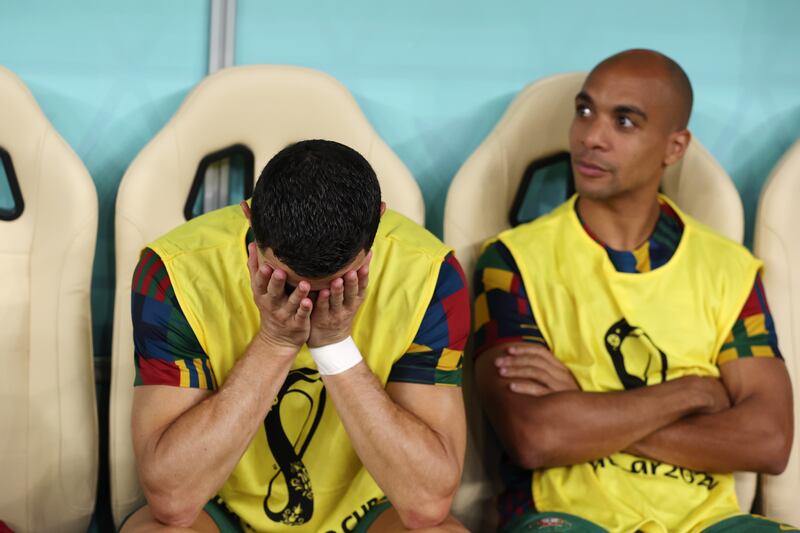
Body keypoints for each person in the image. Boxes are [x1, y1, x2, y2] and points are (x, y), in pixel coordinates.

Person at [473, 49, 795, 533]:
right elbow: (536, 435)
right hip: (567, 518)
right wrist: (693, 391)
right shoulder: (513, 261)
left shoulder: (728, 270)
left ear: (675, 147)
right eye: (584, 111)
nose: (590, 137)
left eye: (624, 121)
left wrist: (586, 404)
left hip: (708, 522)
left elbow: (769, 442)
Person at [122, 140, 470, 533]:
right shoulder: (173, 271)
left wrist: (335, 345)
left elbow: (428, 504)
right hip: (218, 511)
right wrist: (275, 342)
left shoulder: (430, 275)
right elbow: (173, 501)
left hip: (371, 512)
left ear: (379, 220)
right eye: (285, 280)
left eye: (341, 281)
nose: (310, 301)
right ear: (249, 218)